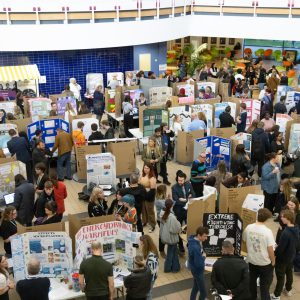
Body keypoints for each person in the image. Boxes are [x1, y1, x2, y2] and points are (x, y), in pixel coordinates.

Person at [243, 208, 275, 300]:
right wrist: (273, 261)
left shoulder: (249, 227)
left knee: (252, 283)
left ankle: (253, 297)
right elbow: (270, 249)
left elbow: (244, 240)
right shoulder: (267, 232)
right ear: (267, 219)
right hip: (265, 263)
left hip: (252, 261)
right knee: (264, 288)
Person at [271, 210, 299, 300]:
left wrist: (274, 253)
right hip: (291, 256)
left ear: (288, 218)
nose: (281, 218)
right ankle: (288, 289)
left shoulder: (285, 233)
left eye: (283, 216)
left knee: (280, 276)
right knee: (289, 273)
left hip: (282, 258)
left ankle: (276, 295)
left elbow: (280, 249)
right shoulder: (296, 228)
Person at [172, 170, 195, 254]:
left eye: (181, 180)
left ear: (185, 179)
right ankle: (180, 245)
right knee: (179, 229)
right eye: (178, 180)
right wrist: (186, 200)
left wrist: (191, 196)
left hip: (188, 211)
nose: (180, 182)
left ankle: (189, 243)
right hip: (179, 211)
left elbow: (193, 194)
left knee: (189, 227)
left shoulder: (189, 184)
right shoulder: (174, 188)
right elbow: (176, 200)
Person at [160, 199, 181, 273]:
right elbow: (175, 230)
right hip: (172, 237)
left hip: (166, 236)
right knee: (171, 253)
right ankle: (168, 268)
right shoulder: (172, 217)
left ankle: (176, 267)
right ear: (172, 206)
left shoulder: (163, 213)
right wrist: (179, 225)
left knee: (174, 252)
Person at [188, 226, 209, 300]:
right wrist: (203, 257)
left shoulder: (193, 240)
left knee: (196, 287)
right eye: (205, 236)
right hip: (198, 271)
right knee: (204, 293)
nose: (206, 238)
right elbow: (199, 264)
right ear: (199, 235)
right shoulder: (195, 247)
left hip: (193, 268)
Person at [139, 235, 159, 300]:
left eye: (141, 244)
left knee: (148, 293)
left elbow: (151, 270)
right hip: (151, 276)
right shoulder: (150, 250)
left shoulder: (151, 255)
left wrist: (143, 265)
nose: (140, 245)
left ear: (146, 244)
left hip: (151, 278)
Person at [139, 163, 157, 233]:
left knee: (150, 211)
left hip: (149, 197)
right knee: (143, 210)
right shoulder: (142, 175)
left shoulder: (152, 178)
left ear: (150, 169)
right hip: (143, 196)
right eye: (144, 168)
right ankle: (145, 221)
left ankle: (152, 225)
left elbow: (152, 191)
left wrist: (145, 195)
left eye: (147, 168)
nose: (145, 169)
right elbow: (140, 184)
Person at [155, 185, 167, 256]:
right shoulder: (159, 201)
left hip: (162, 218)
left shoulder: (160, 198)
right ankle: (161, 250)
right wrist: (170, 199)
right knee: (162, 235)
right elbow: (168, 206)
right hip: (161, 220)